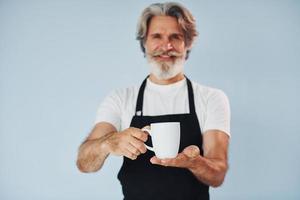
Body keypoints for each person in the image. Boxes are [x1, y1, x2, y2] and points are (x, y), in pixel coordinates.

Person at [77, 2, 230, 200]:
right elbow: (84, 163)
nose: (166, 46)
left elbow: (217, 175)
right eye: (157, 36)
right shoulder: (120, 98)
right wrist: (107, 143)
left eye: (175, 37)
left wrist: (194, 162)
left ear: (187, 43)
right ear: (144, 43)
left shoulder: (211, 98)